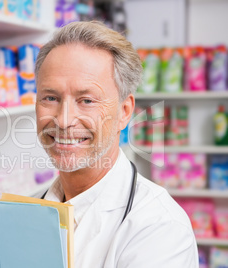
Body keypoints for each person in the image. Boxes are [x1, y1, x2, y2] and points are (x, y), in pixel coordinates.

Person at [35, 21, 198, 267]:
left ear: (124, 111)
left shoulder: (160, 229)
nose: (64, 120)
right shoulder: (37, 209)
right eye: (50, 97)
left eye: (87, 100)